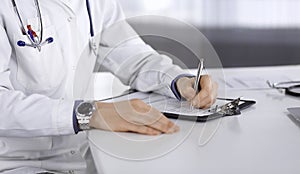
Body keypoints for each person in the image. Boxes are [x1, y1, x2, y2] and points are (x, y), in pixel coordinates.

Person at [0, 0, 218, 173]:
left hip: (83, 156)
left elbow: (134, 57)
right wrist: (90, 113)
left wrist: (179, 81)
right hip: (16, 163)